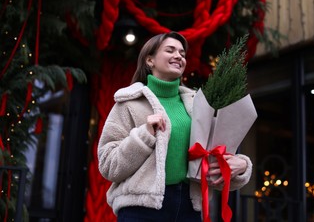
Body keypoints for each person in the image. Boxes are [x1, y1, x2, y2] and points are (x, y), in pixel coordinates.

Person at [97, 31, 252, 221]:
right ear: (149, 60)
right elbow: (108, 166)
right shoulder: (128, 103)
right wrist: (144, 135)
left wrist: (241, 166)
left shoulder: (198, 105)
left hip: (190, 208)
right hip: (141, 209)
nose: (178, 56)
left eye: (182, 53)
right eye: (170, 50)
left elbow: (212, 161)